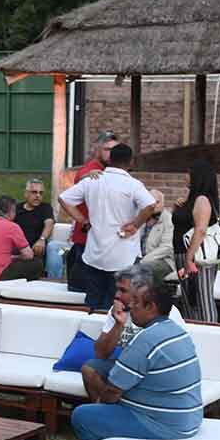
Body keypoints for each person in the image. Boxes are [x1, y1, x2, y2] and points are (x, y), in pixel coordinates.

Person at [72, 278, 203, 440]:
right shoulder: (176, 331)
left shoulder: (144, 340)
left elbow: (113, 391)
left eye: (136, 302)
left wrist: (100, 407)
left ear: (151, 307)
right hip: (189, 419)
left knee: (82, 415)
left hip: (164, 425)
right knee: (95, 371)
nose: (130, 306)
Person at [58, 143, 158, 311]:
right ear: (131, 162)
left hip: (95, 253)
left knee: (92, 304)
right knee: (117, 306)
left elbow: (64, 199)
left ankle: (90, 335)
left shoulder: (93, 180)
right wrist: (135, 224)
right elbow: (150, 205)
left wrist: (82, 220)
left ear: (110, 159)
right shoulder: (133, 184)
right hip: (122, 256)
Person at [82, 265, 184, 397]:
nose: (117, 295)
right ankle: (110, 410)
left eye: (122, 290)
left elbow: (177, 354)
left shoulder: (165, 311)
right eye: (117, 289)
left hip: (155, 370)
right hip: (128, 366)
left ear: (141, 290)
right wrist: (119, 324)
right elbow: (101, 354)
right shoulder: (117, 309)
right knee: (89, 369)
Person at [64, 130, 119, 291]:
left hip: (99, 242)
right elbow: (79, 180)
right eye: (107, 149)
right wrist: (84, 221)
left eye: (114, 150)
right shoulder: (91, 169)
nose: (111, 154)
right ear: (97, 150)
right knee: (82, 290)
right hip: (86, 241)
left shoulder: (110, 171)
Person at [172, 160, 220, 321]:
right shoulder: (192, 199)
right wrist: (178, 208)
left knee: (202, 297)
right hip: (183, 254)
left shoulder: (202, 200)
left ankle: (211, 333)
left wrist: (189, 258)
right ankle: (193, 331)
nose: (185, 176)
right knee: (189, 298)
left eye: (188, 173)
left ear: (197, 176)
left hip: (196, 257)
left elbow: (200, 230)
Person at [14, 178, 55, 279]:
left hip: (37, 251)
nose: (38, 196)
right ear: (26, 194)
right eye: (34, 192)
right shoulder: (16, 209)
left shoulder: (45, 208)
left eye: (41, 193)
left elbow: (49, 223)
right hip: (18, 251)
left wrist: (42, 239)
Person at [139, 190, 176, 282]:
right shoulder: (141, 217)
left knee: (140, 271)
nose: (154, 204)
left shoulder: (169, 220)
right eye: (151, 201)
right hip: (139, 258)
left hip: (163, 260)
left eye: (157, 202)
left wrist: (143, 260)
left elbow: (167, 248)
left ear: (163, 203)